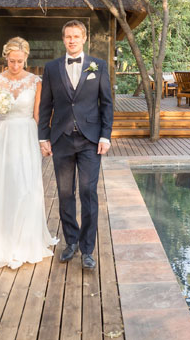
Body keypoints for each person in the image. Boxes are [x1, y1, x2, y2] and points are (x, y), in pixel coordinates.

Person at [0, 37, 57, 270]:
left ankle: (26, 241)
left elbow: (38, 114)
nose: (15, 65)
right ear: (5, 57)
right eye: (11, 60)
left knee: (26, 186)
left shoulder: (35, 81)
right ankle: (2, 242)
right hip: (3, 137)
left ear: (26, 58)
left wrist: (44, 140)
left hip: (26, 135)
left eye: (19, 61)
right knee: (4, 186)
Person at [38, 20, 113, 270]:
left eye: (76, 36)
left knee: (88, 192)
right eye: (68, 36)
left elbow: (106, 104)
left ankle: (87, 249)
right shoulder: (51, 68)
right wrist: (43, 137)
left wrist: (105, 136)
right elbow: (45, 105)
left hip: (90, 139)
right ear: (63, 39)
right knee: (65, 193)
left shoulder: (98, 66)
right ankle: (71, 241)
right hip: (61, 139)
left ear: (84, 38)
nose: (72, 40)